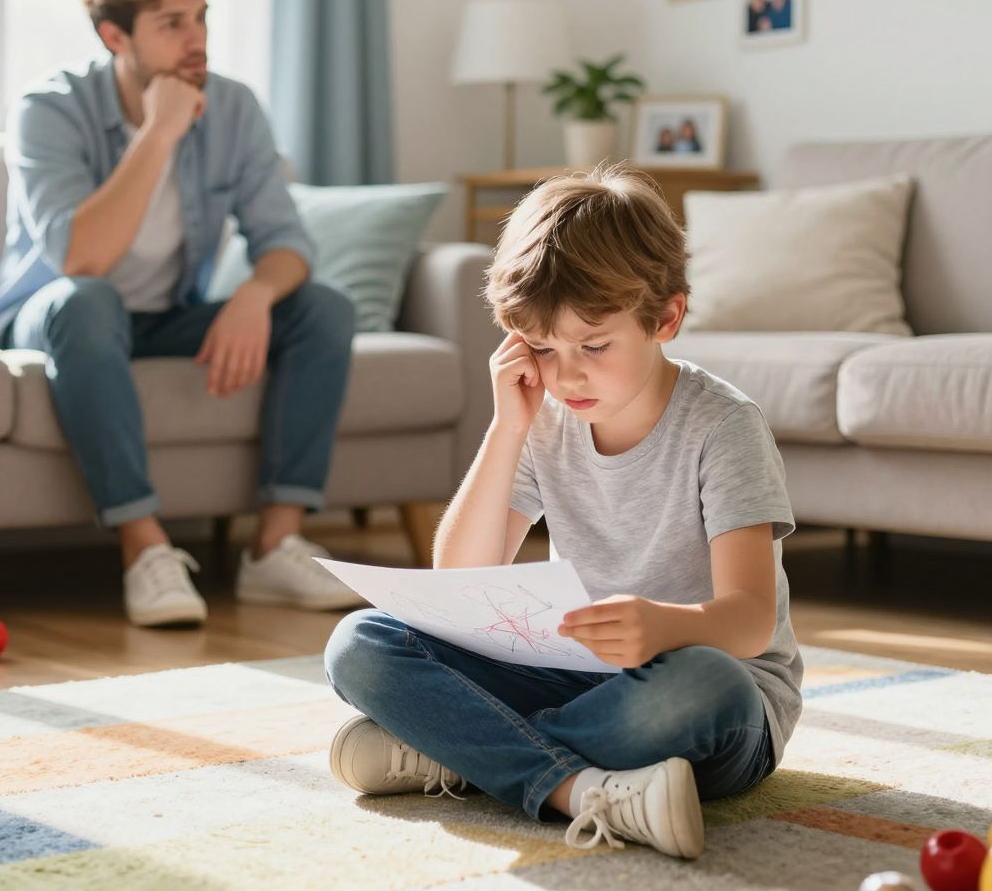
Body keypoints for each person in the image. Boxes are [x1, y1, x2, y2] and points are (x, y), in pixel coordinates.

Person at [323, 166, 801, 861]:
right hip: (577, 676)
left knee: (704, 685)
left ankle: (459, 753)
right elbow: (456, 579)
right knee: (359, 642)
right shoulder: (543, 418)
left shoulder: (722, 426)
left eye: (594, 346)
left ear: (665, 318)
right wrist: (504, 429)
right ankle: (577, 790)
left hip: (708, 696)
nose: (567, 375)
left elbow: (752, 619)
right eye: (543, 349)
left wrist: (663, 626)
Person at [0, 0, 362, 629]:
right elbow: (79, 258)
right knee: (87, 300)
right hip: (52, 316)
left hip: (166, 315)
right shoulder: (48, 110)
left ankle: (274, 545)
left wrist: (254, 296)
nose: (196, 39)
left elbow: (287, 243)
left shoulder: (234, 109)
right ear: (114, 34)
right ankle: (145, 548)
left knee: (321, 307)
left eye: (201, 16)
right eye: (172, 23)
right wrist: (159, 131)